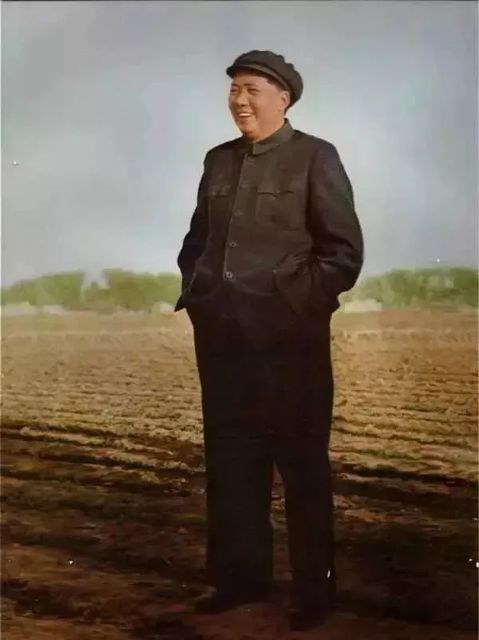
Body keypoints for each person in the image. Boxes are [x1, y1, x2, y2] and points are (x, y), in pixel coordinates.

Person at [174, 50, 364, 631]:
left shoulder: (315, 157)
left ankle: (313, 593)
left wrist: (296, 307)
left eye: (251, 89)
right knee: (231, 461)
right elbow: (196, 242)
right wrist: (200, 294)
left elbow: (343, 253)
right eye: (234, 89)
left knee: (302, 465)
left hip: (289, 341)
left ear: (283, 98)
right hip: (222, 337)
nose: (239, 100)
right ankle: (238, 581)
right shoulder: (218, 160)